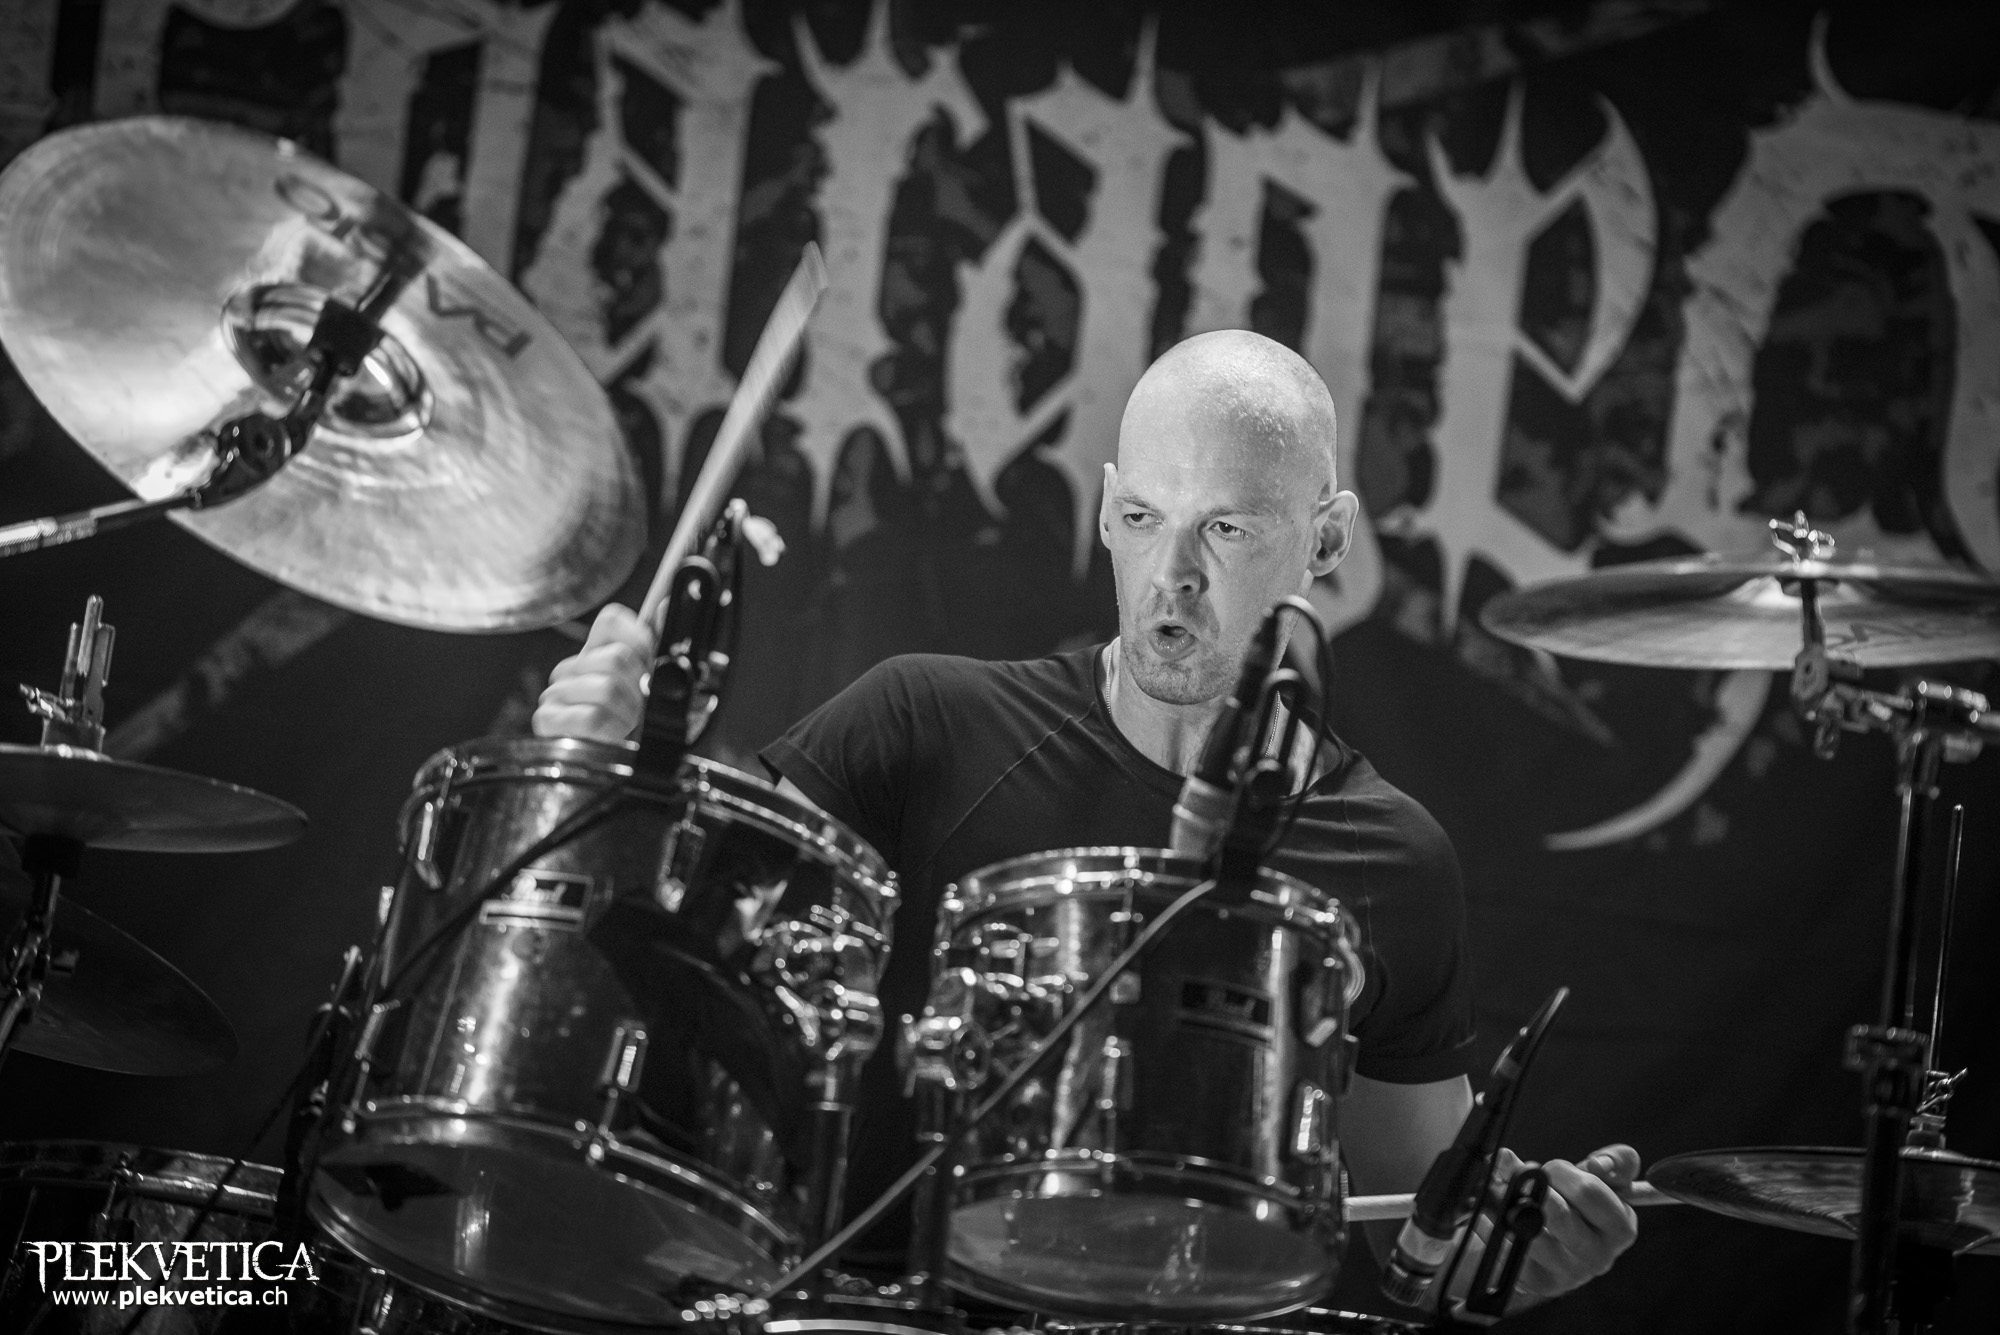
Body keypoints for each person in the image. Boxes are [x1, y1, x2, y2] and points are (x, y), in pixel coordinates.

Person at [533, 329, 1639, 1310]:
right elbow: (674, 957)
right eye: (1143, 517)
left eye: (1227, 528)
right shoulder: (921, 726)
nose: (1172, 575)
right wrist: (613, 779)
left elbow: (1417, 1237)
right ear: (1106, 505)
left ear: (1328, 537)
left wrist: (1508, 1255)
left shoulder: (1393, 860)